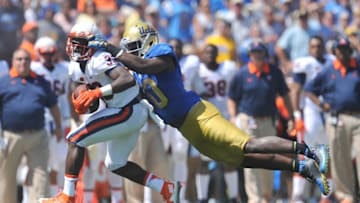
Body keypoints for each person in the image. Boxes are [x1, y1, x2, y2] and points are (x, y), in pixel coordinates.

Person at [88, 20, 331, 196]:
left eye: (131, 46)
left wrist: (112, 48)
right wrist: (97, 94)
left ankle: (310, 150)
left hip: (199, 114)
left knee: (248, 143)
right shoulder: (137, 74)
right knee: (241, 159)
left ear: (147, 40)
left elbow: (144, 65)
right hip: (186, 128)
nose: (128, 51)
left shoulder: (161, 53)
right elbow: (129, 86)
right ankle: (301, 166)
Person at [39, 23, 181, 203]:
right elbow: (80, 84)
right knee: (115, 164)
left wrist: (97, 93)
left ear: (92, 42)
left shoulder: (100, 58)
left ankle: (68, 196)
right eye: (73, 42)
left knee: (75, 140)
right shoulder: (74, 66)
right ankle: (166, 187)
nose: (75, 47)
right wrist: (84, 97)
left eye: (81, 42)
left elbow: (127, 79)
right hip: (123, 111)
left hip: (128, 109)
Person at [227, 41, 292, 203]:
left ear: (265, 53)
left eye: (260, 52)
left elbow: (285, 94)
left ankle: (267, 197)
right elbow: (232, 97)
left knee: (269, 157)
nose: (257, 55)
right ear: (250, 54)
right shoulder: (242, 74)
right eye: (254, 52)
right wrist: (233, 117)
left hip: (268, 121)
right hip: (248, 120)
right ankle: (254, 198)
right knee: (252, 157)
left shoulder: (275, 73)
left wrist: (291, 117)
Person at [0, 48, 62, 203]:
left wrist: (59, 126)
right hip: (11, 135)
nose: (23, 62)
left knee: (40, 174)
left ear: (31, 62)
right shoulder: (4, 81)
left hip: (37, 135)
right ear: (13, 62)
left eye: (26, 59)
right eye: (19, 59)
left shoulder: (40, 81)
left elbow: (54, 106)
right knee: (6, 176)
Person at [304, 37, 360, 203]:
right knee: (339, 157)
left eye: (345, 49)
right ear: (334, 52)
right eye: (339, 49)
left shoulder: (357, 66)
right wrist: (321, 104)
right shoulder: (328, 71)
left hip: (358, 117)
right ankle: (346, 196)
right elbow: (309, 89)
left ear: (350, 51)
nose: (342, 53)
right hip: (337, 118)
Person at [290, 35, 334, 203]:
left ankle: (326, 196)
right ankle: (297, 195)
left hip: (328, 112)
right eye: (313, 46)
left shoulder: (331, 60)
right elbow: (296, 89)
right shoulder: (305, 63)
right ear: (309, 49)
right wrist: (296, 115)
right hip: (310, 111)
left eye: (319, 45)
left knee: (327, 156)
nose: (316, 49)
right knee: (305, 155)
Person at [30, 36, 73, 197]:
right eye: (44, 53)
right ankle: (32, 198)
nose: (48, 57)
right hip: (40, 121)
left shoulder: (64, 68)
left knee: (60, 163)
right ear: (37, 53)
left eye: (51, 53)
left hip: (60, 120)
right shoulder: (33, 69)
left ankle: (56, 196)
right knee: (38, 164)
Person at [197, 44, 239, 202]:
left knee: (229, 159)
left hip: (225, 118)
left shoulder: (227, 68)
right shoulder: (198, 70)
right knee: (204, 161)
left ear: (217, 54)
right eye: (207, 52)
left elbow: (234, 89)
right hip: (206, 120)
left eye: (213, 53)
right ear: (202, 54)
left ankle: (233, 197)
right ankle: (202, 198)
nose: (210, 56)